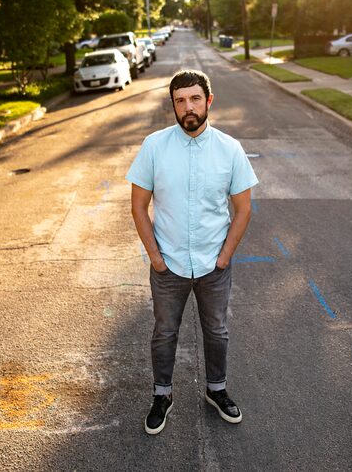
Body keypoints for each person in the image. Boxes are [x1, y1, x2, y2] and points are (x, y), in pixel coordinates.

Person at [126, 69, 258, 435]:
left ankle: (217, 390)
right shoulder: (154, 146)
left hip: (213, 264)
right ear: (172, 105)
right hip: (167, 266)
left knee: (217, 331)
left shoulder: (229, 149)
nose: (188, 107)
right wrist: (155, 257)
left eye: (195, 99)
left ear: (208, 101)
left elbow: (244, 208)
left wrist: (225, 256)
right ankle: (162, 396)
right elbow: (138, 206)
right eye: (180, 100)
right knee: (164, 332)